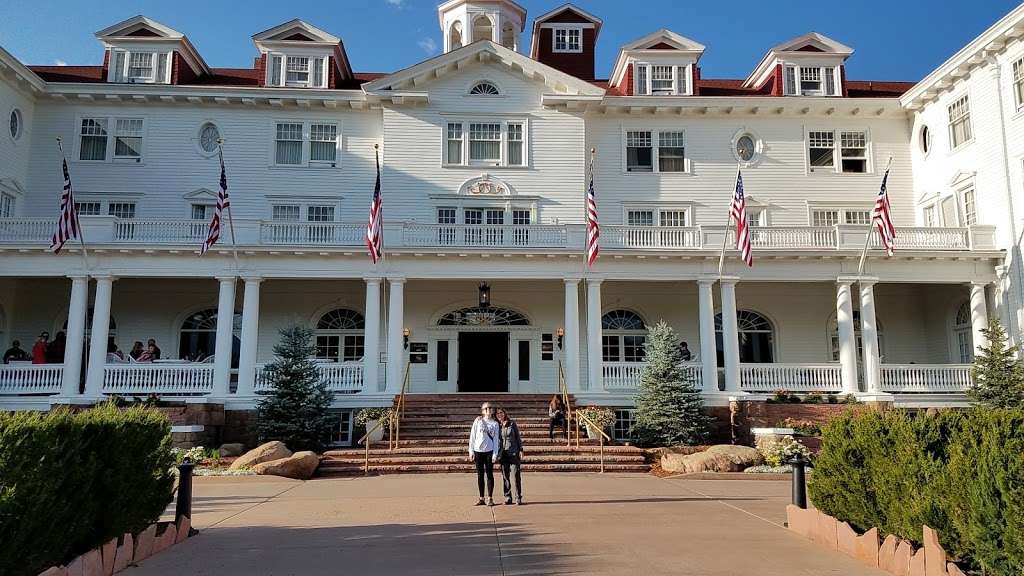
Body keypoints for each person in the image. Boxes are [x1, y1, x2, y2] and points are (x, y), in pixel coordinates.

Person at [468, 402, 499, 506]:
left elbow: (496, 440)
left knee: (489, 475)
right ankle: (481, 498)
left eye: (490, 408)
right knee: (480, 475)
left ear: (493, 410)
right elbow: (472, 436)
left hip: (489, 452)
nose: (488, 410)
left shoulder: (495, 423)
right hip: (478, 451)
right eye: (486, 408)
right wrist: (471, 451)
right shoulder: (478, 421)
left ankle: (490, 498)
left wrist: (495, 454)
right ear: (482, 411)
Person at [495, 407, 524, 506]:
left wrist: (521, 449)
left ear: (505, 413)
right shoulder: (496, 426)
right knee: (505, 476)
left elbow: (518, 437)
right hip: (503, 454)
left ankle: (518, 497)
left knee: (516, 475)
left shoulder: (512, 424)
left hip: (513, 452)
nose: (500, 415)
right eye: (498, 413)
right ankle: (508, 496)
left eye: (501, 412)